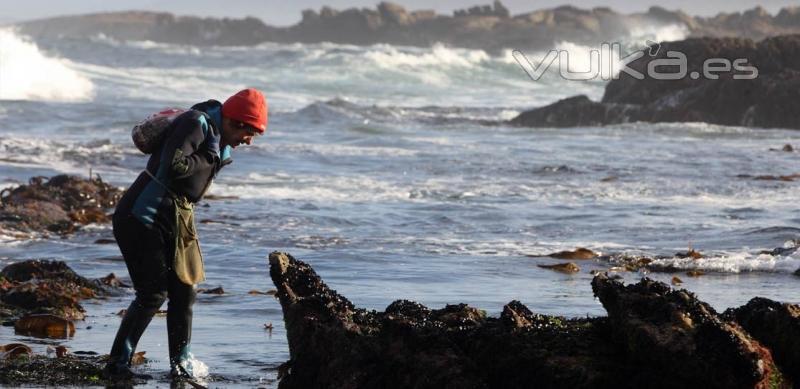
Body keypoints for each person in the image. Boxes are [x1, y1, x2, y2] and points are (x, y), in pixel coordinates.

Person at [104, 88, 268, 380]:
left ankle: (181, 364)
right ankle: (117, 365)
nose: (249, 141)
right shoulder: (196, 124)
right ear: (235, 121)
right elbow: (175, 166)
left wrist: (214, 152)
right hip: (142, 215)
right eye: (250, 132)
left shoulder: (216, 135)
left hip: (174, 219)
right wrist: (210, 154)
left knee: (184, 290)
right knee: (152, 293)